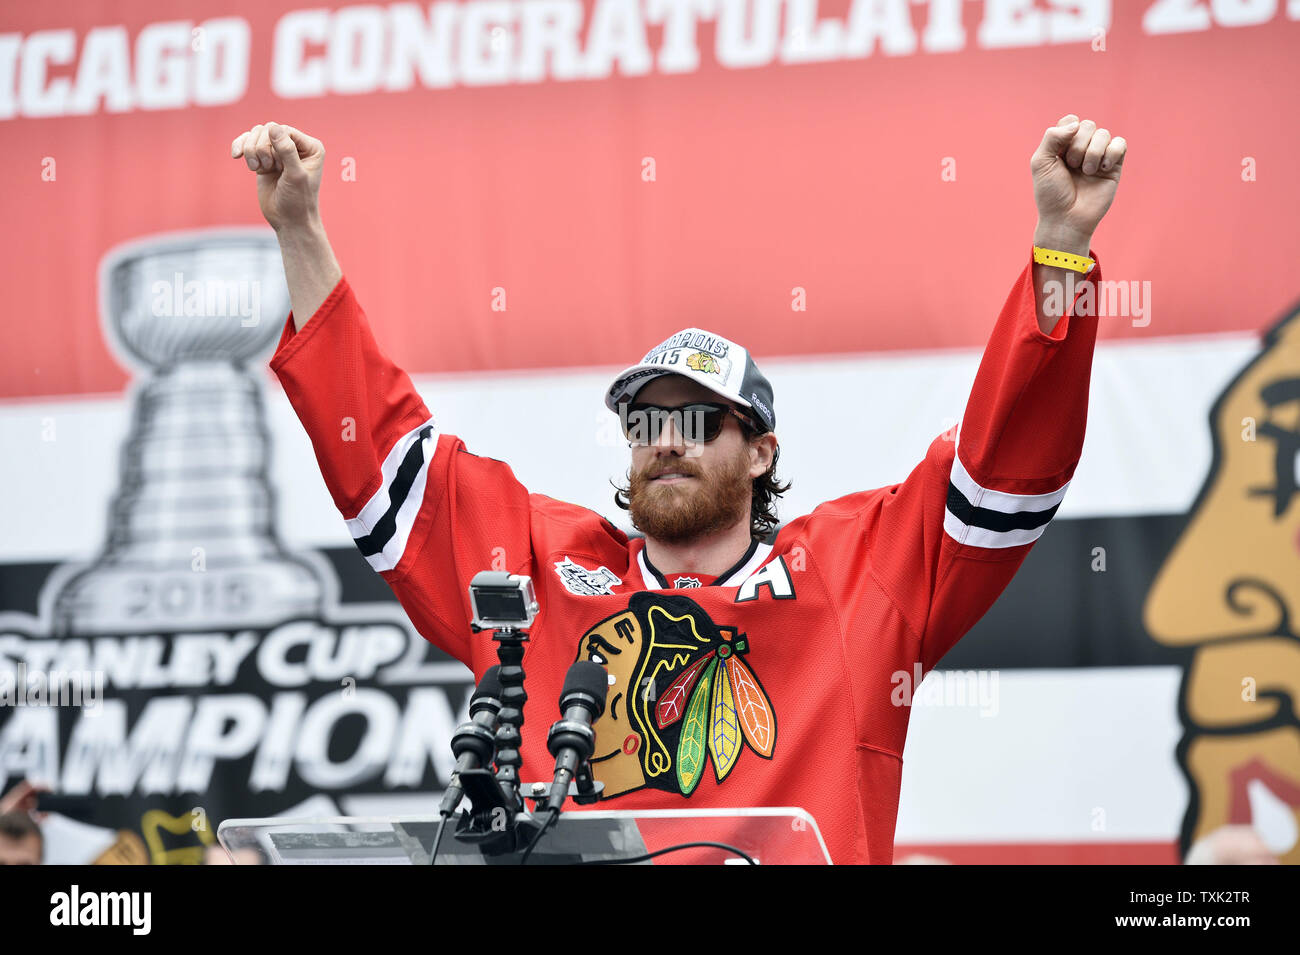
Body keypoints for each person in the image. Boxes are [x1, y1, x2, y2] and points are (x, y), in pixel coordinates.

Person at [230, 114, 1126, 864]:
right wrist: (301, 232)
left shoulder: (857, 575)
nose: (666, 442)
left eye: (698, 422)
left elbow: (1004, 468)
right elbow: (386, 461)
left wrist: (1061, 249)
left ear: (762, 451)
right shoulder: (546, 569)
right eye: (645, 423)